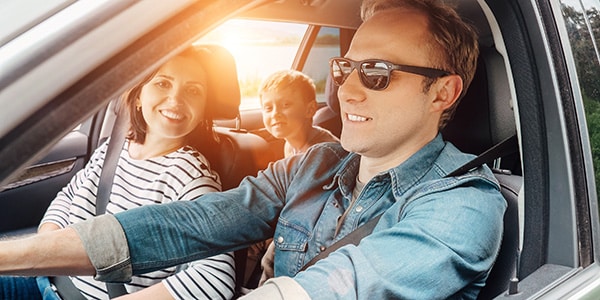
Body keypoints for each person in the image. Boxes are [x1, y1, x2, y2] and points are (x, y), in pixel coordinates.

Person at [0, 0, 507, 299]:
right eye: (345, 68)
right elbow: (189, 224)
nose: (347, 92)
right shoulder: (317, 163)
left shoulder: (464, 202)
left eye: (377, 74)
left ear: (443, 92)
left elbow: (338, 288)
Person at [0, 46, 235, 300]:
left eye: (193, 90)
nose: (176, 100)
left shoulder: (191, 177)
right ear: (137, 96)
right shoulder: (114, 149)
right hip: (48, 282)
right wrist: (48, 249)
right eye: (163, 84)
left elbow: (215, 278)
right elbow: (68, 196)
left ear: (203, 110)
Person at [245, 69, 340, 287]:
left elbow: (313, 207)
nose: (275, 114)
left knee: (272, 250)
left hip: (317, 226)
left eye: (285, 105)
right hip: (299, 215)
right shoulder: (291, 145)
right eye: (268, 108)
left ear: (310, 109)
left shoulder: (323, 152)